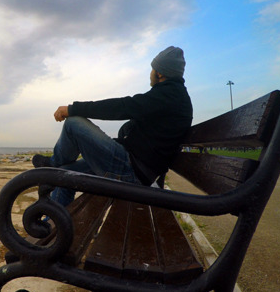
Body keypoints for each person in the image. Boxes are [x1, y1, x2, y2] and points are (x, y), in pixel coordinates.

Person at [32, 46, 193, 207]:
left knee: (73, 123)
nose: (150, 73)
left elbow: (121, 107)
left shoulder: (169, 96)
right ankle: (53, 225)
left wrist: (72, 109)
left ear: (159, 72)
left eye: (152, 68)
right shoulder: (173, 97)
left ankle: (51, 165)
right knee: (64, 174)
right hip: (136, 169)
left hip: (130, 171)